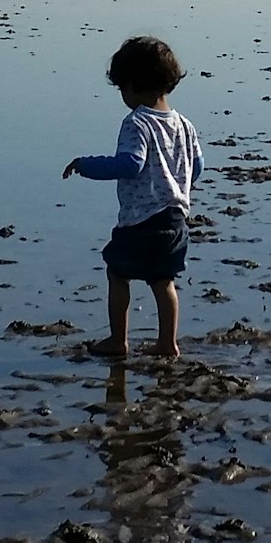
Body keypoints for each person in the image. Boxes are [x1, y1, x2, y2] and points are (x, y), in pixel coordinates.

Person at [61, 35, 203, 360]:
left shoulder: (137, 122)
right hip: (176, 218)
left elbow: (130, 164)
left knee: (116, 272)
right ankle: (167, 344)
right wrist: (178, 184)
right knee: (163, 281)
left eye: (122, 89)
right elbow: (198, 166)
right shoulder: (185, 125)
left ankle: (117, 340)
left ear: (133, 86)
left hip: (142, 220)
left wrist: (86, 165)